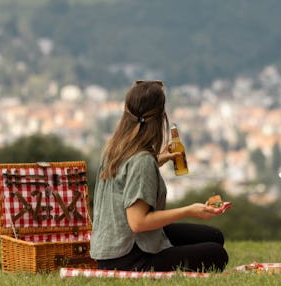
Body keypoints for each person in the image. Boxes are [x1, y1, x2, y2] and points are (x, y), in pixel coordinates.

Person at [90, 80, 229, 272]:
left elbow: (127, 173)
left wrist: (158, 159)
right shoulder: (142, 161)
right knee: (216, 253)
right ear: (161, 117)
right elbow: (138, 222)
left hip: (108, 253)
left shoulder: (114, 149)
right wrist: (189, 210)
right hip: (131, 258)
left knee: (214, 236)